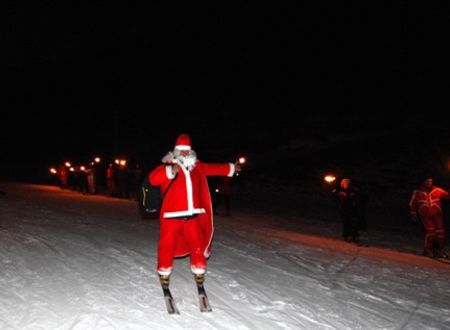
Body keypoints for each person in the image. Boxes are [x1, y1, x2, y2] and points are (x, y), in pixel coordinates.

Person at [149, 133, 240, 286]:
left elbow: (214, 168)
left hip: (192, 216)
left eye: (187, 150)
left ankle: (199, 271)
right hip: (171, 216)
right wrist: (171, 171)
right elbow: (153, 179)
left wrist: (231, 167)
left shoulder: (197, 167)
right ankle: (164, 272)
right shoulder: (167, 166)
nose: (184, 153)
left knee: (197, 243)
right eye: (181, 150)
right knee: (167, 244)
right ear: (176, 151)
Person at [409, 176, 449, 259]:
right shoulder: (417, 192)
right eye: (427, 181)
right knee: (431, 232)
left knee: (440, 233)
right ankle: (427, 249)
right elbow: (412, 203)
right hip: (425, 216)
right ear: (423, 182)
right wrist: (413, 213)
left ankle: (438, 250)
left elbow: (448, 196)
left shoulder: (437, 190)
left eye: (430, 181)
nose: (429, 183)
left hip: (437, 215)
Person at [332, 178, 363, 243]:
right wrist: (338, 194)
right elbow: (334, 196)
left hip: (352, 209)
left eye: (346, 183)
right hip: (343, 209)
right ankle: (346, 236)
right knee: (346, 223)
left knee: (353, 223)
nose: (345, 184)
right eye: (343, 183)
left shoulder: (352, 190)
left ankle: (355, 236)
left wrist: (352, 196)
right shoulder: (339, 190)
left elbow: (358, 197)